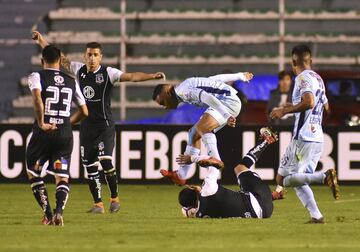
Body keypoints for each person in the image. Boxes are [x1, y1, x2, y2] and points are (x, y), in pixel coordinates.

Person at [32, 31, 165, 214]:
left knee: (105, 161)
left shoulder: (108, 73)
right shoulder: (78, 69)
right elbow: (57, 57)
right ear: (84, 56)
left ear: (100, 57)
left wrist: (151, 76)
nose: (92, 58)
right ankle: (98, 204)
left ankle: (115, 199)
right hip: (86, 126)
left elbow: (131, 77)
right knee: (90, 166)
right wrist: (41, 41)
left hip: (105, 125)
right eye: (89, 55)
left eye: (95, 55)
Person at [270, 45, 340, 223]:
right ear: (311, 60)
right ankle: (316, 216)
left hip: (303, 137)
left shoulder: (302, 78)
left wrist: (286, 112)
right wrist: (289, 108)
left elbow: (309, 102)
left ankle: (323, 177)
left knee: (284, 179)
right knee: (290, 179)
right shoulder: (318, 78)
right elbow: (325, 106)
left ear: (293, 62)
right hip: (317, 137)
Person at [152, 71, 254, 185]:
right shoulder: (185, 86)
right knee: (193, 133)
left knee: (202, 127)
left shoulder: (183, 92)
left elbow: (206, 97)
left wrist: (226, 115)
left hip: (228, 102)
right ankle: (181, 175)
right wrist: (239, 76)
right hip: (226, 102)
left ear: (167, 93)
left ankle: (216, 160)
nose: (165, 107)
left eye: (162, 102)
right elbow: (215, 79)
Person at [26, 45, 88, 226]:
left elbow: (37, 98)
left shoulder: (36, 76)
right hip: (64, 133)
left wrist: (41, 122)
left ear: (41, 61)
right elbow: (84, 111)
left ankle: (48, 213)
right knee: (62, 177)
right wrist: (67, 122)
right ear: (60, 61)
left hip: (43, 133)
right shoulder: (72, 80)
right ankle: (59, 212)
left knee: (33, 173)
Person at [176, 127, 277, 219]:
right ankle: (266, 140)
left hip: (263, 213)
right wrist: (193, 158)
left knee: (241, 194)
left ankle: (269, 196)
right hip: (259, 200)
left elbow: (187, 210)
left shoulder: (195, 214)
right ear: (194, 190)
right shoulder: (208, 189)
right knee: (240, 168)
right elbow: (217, 163)